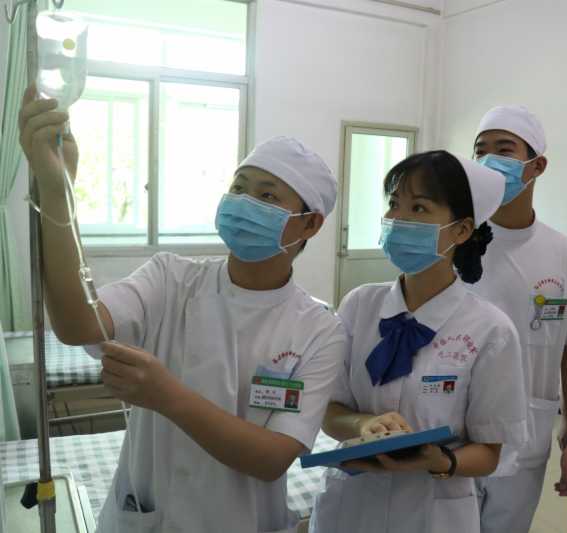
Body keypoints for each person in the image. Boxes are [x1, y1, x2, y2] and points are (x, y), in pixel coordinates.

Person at [19, 86, 347, 533]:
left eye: (268, 197)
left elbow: (271, 458)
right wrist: (58, 191)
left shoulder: (319, 330)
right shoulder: (171, 278)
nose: (243, 202)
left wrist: (167, 396)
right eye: (238, 187)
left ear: (310, 224)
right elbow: (79, 325)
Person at [309, 150, 527, 533]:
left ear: (461, 230)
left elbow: (490, 452)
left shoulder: (490, 330)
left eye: (419, 208)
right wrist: (365, 424)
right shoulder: (359, 305)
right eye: (394, 204)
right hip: (351, 505)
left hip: (433, 512)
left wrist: (439, 461)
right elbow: (330, 411)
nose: (397, 218)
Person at [471, 105, 567, 533]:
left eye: (504, 149)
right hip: (449, 431)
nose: (489, 160)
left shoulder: (566, 257)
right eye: (480, 150)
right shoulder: (453, 242)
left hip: (525, 433)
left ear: (537, 165)